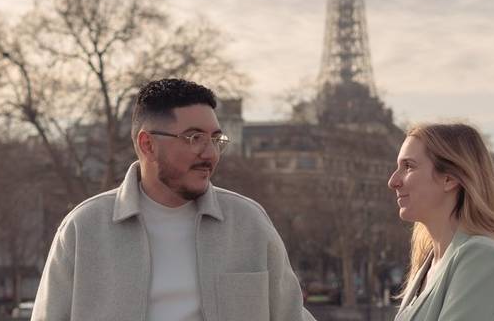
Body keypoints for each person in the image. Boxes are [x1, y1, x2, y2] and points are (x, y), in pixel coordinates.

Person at [31, 78, 313, 321]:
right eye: (194, 138)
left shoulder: (250, 223)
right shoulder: (83, 228)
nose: (210, 153)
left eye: (216, 139)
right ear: (148, 144)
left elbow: (291, 314)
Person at [387, 123, 494, 321]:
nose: (393, 181)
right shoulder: (429, 263)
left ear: (449, 179)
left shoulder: (482, 256)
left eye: (408, 166)